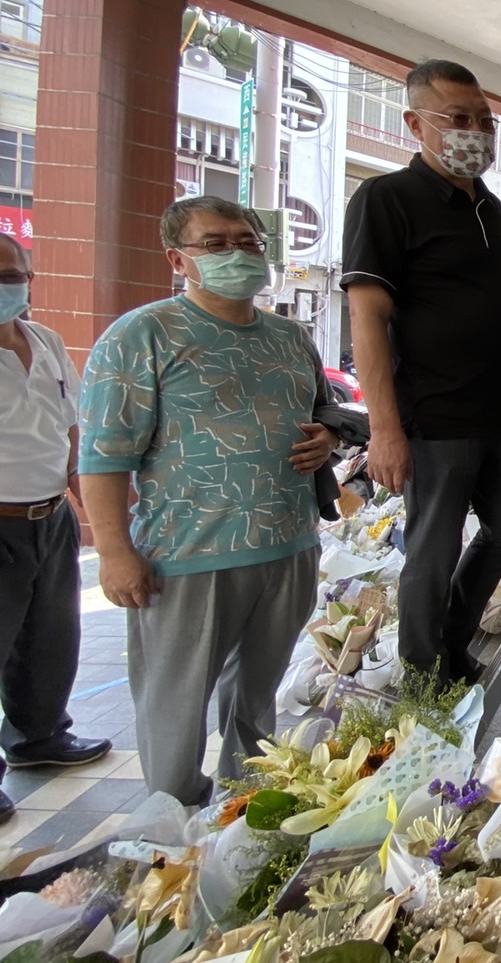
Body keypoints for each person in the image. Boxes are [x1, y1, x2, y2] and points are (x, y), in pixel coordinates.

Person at [78, 197, 336, 806]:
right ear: (178, 259)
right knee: (175, 712)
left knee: (258, 707)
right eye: (216, 244)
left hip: (287, 546)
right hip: (187, 557)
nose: (238, 253)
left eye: (247, 241)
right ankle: (173, 834)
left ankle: (245, 826)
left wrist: (327, 439)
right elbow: (104, 457)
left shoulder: (290, 338)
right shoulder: (140, 336)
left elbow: (324, 414)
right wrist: (115, 552)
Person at [341, 59, 501, 685]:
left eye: (484, 121)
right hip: (435, 418)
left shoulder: (493, 210)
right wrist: (384, 429)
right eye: (458, 118)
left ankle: (451, 642)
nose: (474, 131)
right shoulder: (385, 200)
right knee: (433, 548)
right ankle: (424, 675)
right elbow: (368, 317)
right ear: (415, 123)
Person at [0, 235, 110, 822]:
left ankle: (39, 737)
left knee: (50, 639)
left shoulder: (42, 341)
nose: (11, 286)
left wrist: (79, 486)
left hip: (50, 517)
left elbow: (71, 425)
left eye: (17, 275)